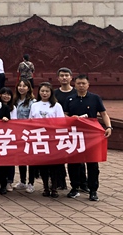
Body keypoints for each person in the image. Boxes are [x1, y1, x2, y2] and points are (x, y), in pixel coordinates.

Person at [64, 74, 112, 202]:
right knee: (73, 162)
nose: (81, 86)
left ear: (88, 85)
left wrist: (108, 127)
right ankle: (75, 187)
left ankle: (93, 190)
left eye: (83, 83)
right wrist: (71, 118)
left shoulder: (95, 98)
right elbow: (64, 115)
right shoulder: (70, 99)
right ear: (75, 84)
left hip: (91, 136)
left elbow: (104, 114)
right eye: (78, 83)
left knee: (92, 163)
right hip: (74, 135)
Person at [30, 82, 65, 198]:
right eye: (42, 91)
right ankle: (45, 187)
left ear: (51, 92)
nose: (44, 93)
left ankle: (54, 187)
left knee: (54, 165)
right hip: (40, 138)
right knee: (43, 165)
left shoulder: (56, 106)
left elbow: (61, 122)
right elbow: (30, 121)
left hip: (53, 139)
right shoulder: (35, 105)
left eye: (47, 91)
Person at [53, 67, 77, 191]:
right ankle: (60, 182)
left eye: (66, 75)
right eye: (61, 75)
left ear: (71, 77)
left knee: (76, 157)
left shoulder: (77, 92)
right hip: (58, 130)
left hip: (74, 130)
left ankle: (79, 183)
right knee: (58, 156)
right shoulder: (54, 94)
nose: (64, 78)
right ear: (58, 78)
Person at [12, 80, 36, 193]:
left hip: (28, 133)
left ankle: (31, 183)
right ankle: (22, 181)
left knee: (30, 159)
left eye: (24, 86)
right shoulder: (14, 101)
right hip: (17, 133)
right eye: (20, 85)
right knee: (21, 158)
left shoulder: (32, 102)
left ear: (28, 88)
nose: (21, 88)